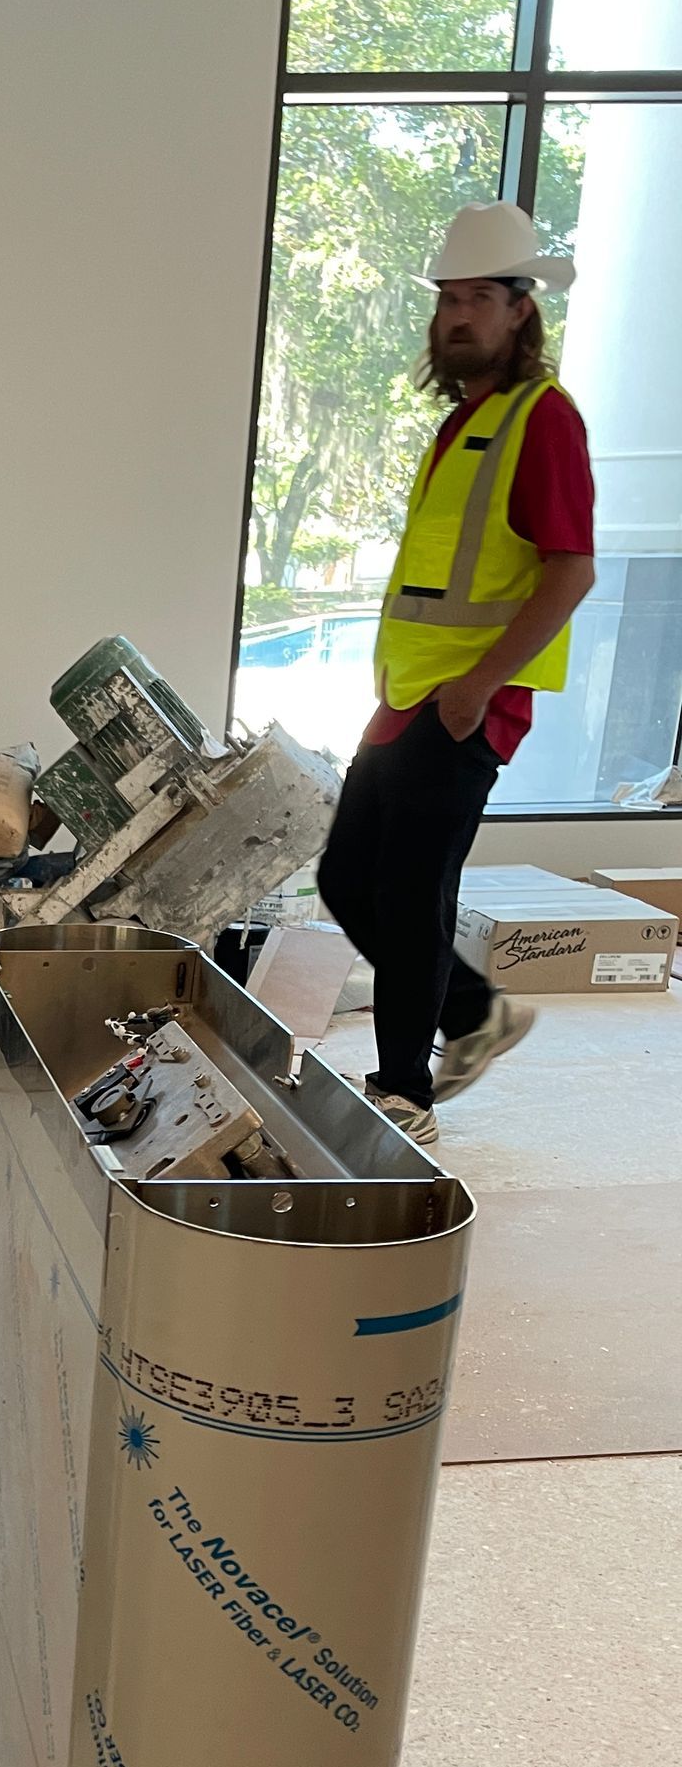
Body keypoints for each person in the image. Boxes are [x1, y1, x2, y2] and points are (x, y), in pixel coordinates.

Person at [317, 202, 596, 1146]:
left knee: (410, 893)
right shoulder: (465, 422)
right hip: (406, 698)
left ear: (522, 310)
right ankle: (475, 1014)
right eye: (447, 298)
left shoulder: (543, 422)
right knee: (348, 879)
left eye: (479, 298)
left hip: (469, 703)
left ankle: (405, 1094)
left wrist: (480, 684)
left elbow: (571, 569)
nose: (457, 317)